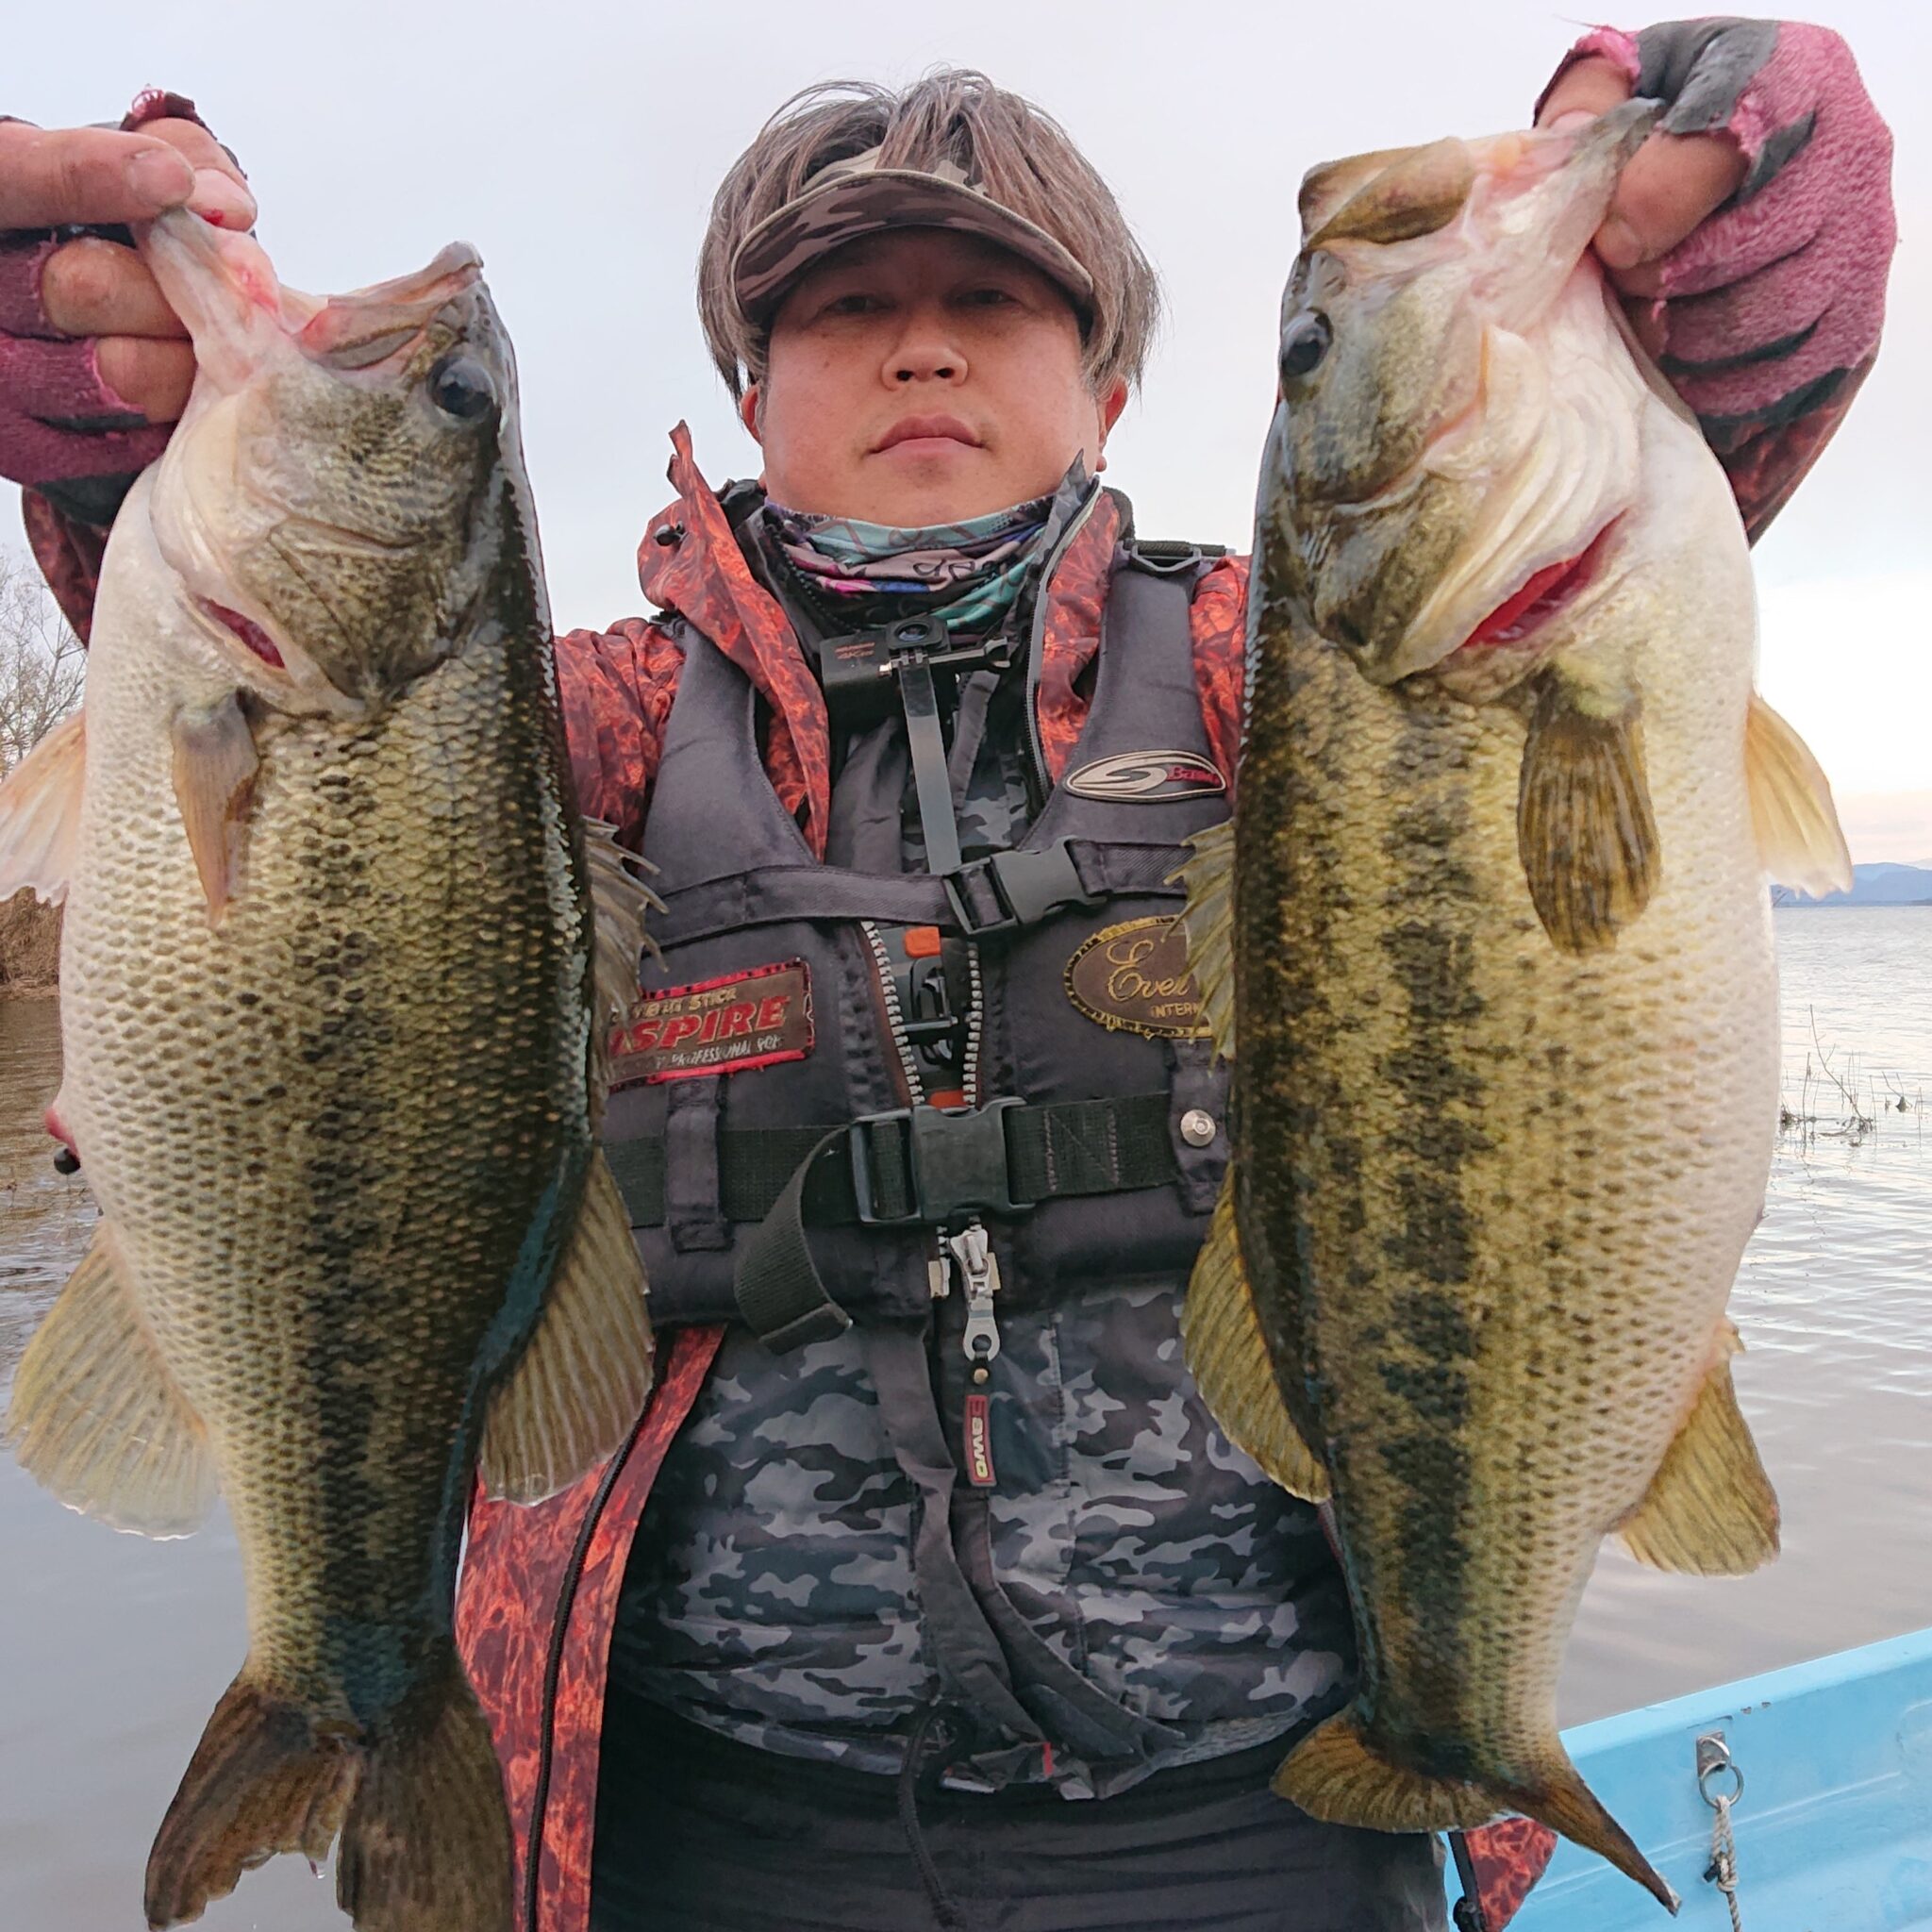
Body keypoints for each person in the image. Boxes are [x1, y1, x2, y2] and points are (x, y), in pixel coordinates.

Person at [0, 22, 1894, 1932]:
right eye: (846, 307)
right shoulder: (577, 728)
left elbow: (1609, 541)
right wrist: (103, 429)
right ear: (750, 393)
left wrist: (1729, 238)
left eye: (991, 299)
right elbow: (292, 777)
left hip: (1255, 1809)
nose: (922, 348)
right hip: (692, 1810)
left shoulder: (1289, 668)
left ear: (1110, 387)